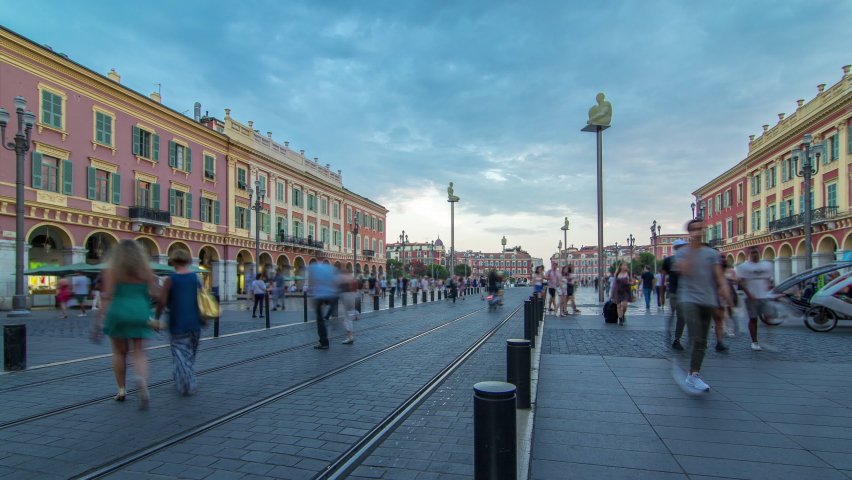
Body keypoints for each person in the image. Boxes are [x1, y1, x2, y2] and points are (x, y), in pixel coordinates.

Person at [99, 239, 159, 408]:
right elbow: (154, 293)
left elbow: (107, 296)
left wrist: (98, 319)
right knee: (139, 352)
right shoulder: (146, 270)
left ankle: (122, 390)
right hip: (140, 311)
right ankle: (142, 384)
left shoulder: (112, 270)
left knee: (119, 352)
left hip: (118, 311)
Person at [676, 219, 732, 392]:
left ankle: (693, 376)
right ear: (689, 233)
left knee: (702, 342)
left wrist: (723, 286)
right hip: (688, 299)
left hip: (707, 300)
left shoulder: (712, 253)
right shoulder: (682, 252)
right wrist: (692, 248)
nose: (698, 232)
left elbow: (718, 274)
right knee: (697, 336)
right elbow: (685, 270)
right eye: (694, 230)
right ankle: (686, 366)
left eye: (701, 229)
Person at [155, 249, 202, 396]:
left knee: (180, 353)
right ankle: (181, 376)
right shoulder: (195, 277)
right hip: (195, 321)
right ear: (188, 261)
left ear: (173, 261)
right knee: (190, 353)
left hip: (178, 321)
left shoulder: (170, 279)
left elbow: (162, 301)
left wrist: (157, 318)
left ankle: (187, 382)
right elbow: (202, 299)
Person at [737, 246, 774, 351]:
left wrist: (771, 290)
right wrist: (748, 293)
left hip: (764, 296)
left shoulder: (767, 265)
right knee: (753, 319)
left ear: (759, 253)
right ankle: (754, 341)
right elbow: (741, 282)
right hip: (751, 297)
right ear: (749, 254)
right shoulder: (744, 267)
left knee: (769, 317)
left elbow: (769, 280)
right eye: (752, 253)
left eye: (756, 252)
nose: (754, 254)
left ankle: (769, 337)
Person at [663, 239, 687, 350]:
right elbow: (663, 276)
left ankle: (677, 338)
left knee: (682, 316)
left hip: (686, 291)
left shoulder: (688, 260)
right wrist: (660, 292)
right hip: (673, 291)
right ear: (676, 248)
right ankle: (669, 330)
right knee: (673, 314)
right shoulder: (669, 260)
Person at [309, 263, 340, 349]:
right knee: (321, 318)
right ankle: (324, 340)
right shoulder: (330, 270)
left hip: (320, 296)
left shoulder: (317, 269)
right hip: (326, 296)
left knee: (320, 320)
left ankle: (324, 342)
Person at [341, 272, 358, 344]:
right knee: (348, 319)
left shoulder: (343, 292)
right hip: (348, 303)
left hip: (344, 303)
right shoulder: (350, 290)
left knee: (346, 319)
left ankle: (350, 336)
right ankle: (350, 336)